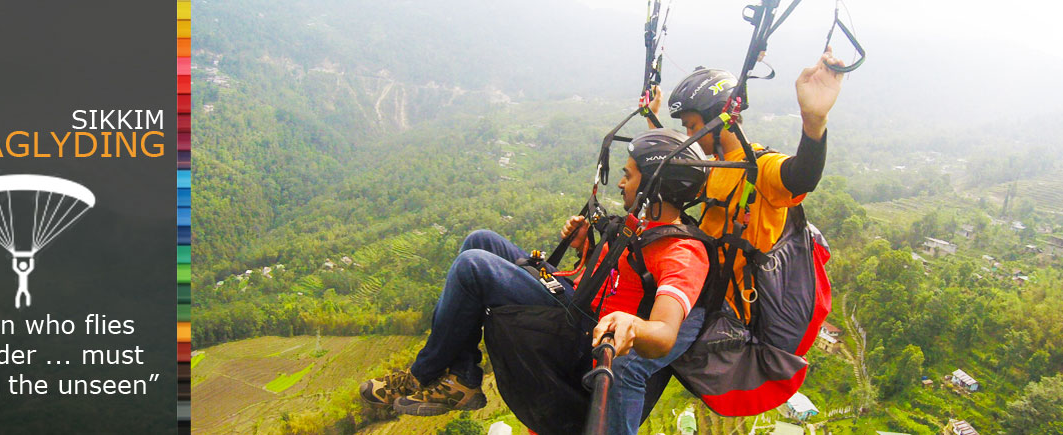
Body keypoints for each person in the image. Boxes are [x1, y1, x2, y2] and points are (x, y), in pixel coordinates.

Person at [359, 129, 711, 429]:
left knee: (472, 267)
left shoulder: (682, 252)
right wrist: (586, 247)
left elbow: (665, 334)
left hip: (583, 332)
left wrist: (631, 325)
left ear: (654, 187)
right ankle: (462, 377)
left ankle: (421, 375)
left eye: (628, 175)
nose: (620, 183)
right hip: (579, 300)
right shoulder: (644, 226)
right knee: (480, 241)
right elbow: (621, 276)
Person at [640, 50, 844, 325]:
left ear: (718, 120)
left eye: (692, 126)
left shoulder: (760, 168)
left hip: (728, 309)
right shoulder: (716, 166)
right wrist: (652, 120)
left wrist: (814, 120)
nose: (690, 136)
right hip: (704, 287)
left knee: (641, 347)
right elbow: (672, 171)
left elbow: (802, 176)